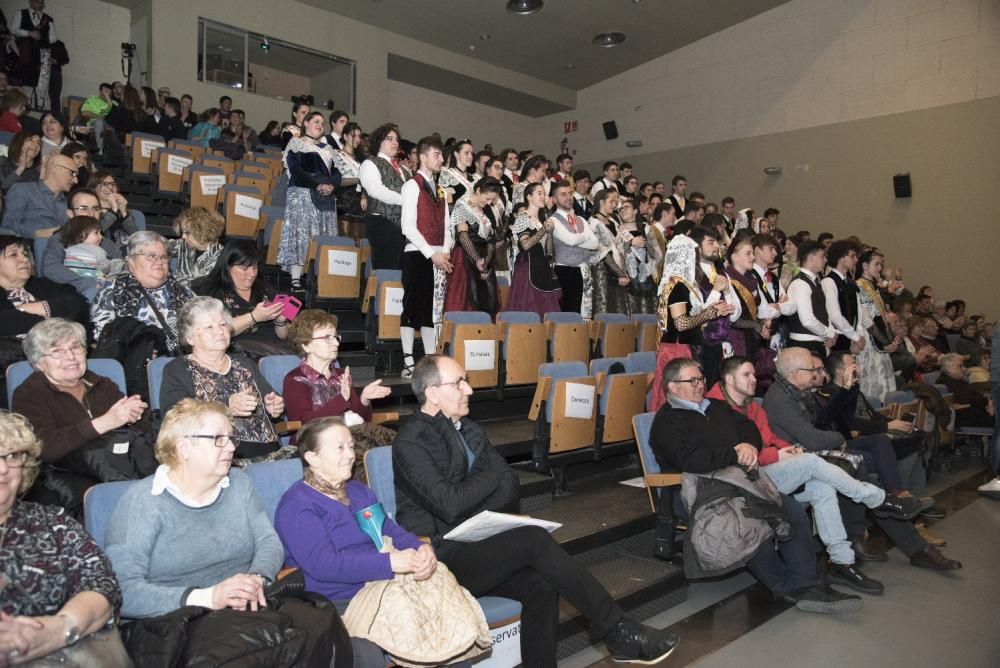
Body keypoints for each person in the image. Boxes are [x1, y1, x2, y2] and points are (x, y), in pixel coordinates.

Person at [393, 355, 680, 666]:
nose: (469, 390)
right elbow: (449, 503)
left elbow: (510, 486)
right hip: (439, 559)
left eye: (467, 380)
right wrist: (488, 479)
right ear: (433, 393)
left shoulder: (471, 431)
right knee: (532, 538)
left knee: (541, 585)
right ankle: (616, 629)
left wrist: (476, 496)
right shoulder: (411, 443)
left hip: (479, 547)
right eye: (459, 382)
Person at [651, 357, 864, 612]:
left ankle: (807, 585)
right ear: (673, 387)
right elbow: (686, 460)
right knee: (751, 521)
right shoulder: (667, 421)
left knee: (792, 510)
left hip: (740, 482)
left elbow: (748, 427)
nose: (700, 385)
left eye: (701, 379)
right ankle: (788, 588)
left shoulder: (714, 407)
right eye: (692, 381)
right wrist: (734, 452)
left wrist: (750, 445)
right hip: (700, 490)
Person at [707, 357, 927, 594]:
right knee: (815, 462)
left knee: (824, 489)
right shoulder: (715, 409)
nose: (754, 380)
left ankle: (842, 562)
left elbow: (771, 438)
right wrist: (778, 454)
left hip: (772, 468)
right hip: (748, 478)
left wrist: (786, 449)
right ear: (729, 379)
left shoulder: (753, 406)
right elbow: (739, 455)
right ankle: (879, 499)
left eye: (753, 375)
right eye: (747, 375)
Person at [765, 348, 962, 570]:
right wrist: (839, 438)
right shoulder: (780, 400)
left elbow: (825, 422)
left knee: (868, 473)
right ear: (793, 373)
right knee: (866, 477)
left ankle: (905, 542)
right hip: (801, 463)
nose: (815, 374)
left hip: (816, 456)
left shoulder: (797, 393)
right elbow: (814, 439)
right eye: (811, 370)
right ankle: (906, 542)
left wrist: (850, 388)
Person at [274, 416, 431, 666]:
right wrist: (389, 562)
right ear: (312, 458)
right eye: (339, 447)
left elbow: (389, 530)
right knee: (370, 652)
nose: (350, 454)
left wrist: (420, 548)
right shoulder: (298, 505)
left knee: (439, 620)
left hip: (383, 587)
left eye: (350, 445)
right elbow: (325, 565)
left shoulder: (357, 491)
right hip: (336, 599)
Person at [0, 410, 127, 667]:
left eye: (12, 456)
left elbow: (101, 584)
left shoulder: (52, 522)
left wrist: (58, 629)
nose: (3, 469)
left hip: (66, 652)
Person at [12, 317, 151, 509]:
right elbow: (42, 449)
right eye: (57, 351)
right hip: (62, 475)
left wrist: (136, 415)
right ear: (39, 362)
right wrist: (105, 422)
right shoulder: (29, 393)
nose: (70, 357)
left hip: (117, 465)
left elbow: (136, 431)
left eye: (76, 347)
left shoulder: (102, 384)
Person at [160, 297, 286, 461]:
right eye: (209, 327)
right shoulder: (177, 370)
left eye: (223, 324)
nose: (219, 331)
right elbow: (174, 418)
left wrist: (274, 405)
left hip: (271, 455)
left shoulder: (244, 363)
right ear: (190, 338)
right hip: (218, 457)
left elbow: (273, 400)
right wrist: (226, 406)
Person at [648, 232, 735, 411]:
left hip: (687, 346)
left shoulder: (685, 285)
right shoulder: (677, 286)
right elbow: (680, 323)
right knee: (678, 400)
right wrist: (708, 314)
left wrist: (712, 311)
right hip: (677, 349)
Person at [283, 310, 391, 432]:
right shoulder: (295, 379)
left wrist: (364, 399)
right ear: (306, 345)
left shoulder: (341, 376)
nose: (336, 343)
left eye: (336, 337)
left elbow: (362, 421)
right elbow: (306, 425)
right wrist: (341, 399)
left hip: (348, 441)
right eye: (327, 338)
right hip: (315, 446)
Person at [91, 231, 194, 354]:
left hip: (180, 362)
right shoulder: (112, 294)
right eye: (151, 256)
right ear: (132, 262)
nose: (159, 261)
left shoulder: (184, 292)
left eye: (164, 256)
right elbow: (103, 341)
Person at [399, 136, 451, 375]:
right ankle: (408, 361)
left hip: (439, 256)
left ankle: (431, 361)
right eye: (436, 155)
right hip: (418, 254)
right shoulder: (411, 185)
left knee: (433, 311)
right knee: (412, 308)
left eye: (441, 155)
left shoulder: (440, 190)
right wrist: (432, 254)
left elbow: (448, 226)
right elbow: (408, 227)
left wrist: (445, 251)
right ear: (423, 157)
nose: (441, 159)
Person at [194, 239, 291, 357]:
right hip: (239, 353)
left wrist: (281, 321)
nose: (252, 274)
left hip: (274, 351)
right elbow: (214, 330)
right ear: (228, 267)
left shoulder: (265, 289)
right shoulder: (212, 292)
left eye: (254, 268)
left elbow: (283, 335)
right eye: (244, 268)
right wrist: (254, 317)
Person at [278, 111, 341, 291]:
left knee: (322, 236)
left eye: (322, 122)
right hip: (303, 195)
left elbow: (337, 173)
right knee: (302, 235)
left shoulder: (328, 149)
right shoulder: (296, 143)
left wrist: (332, 186)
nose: (320, 125)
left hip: (326, 197)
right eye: (316, 121)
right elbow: (296, 170)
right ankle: (296, 279)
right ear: (305, 123)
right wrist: (317, 184)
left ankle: (320, 278)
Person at [0, 235, 88, 339]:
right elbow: (5, 322)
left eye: (24, 254)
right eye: (13, 254)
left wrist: (28, 308)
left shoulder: (42, 284)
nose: (24, 259)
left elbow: (78, 303)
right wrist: (59, 316)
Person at [443, 177, 502, 316]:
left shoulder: (484, 208)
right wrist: (476, 259)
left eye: (491, 200)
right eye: (487, 198)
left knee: (489, 299)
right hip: (465, 256)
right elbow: (463, 236)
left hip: (484, 258)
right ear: (478, 190)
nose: (488, 203)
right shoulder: (462, 205)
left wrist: (486, 260)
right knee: (466, 296)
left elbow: (491, 237)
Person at [508, 182, 561, 318]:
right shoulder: (523, 218)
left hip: (542, 268)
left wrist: (548, 233)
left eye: (544, 193)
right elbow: (525, 245)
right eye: (539, 193)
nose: (543, 196)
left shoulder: (543, 219)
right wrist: (543, 230)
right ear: (529, 196)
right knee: (529, 308)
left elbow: (549, 252)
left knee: (548, 311)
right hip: (528, 268)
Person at [854, 248, 900, 402]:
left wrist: (890, 339)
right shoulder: (860, 286)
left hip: (879, 336)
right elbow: (867, 319)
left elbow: (883, 316)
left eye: (881, 265)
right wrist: (884, 342)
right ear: (865, 266)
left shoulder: (873, 286)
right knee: (873, 385)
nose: (880, 268)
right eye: (877, 264)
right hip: (869, 339)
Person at [360, 123, 408, 270]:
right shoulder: (370, 163)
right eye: (389, 138)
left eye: (397, 139)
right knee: (387, 268)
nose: (395, 142)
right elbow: (375, 190)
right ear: (379, 141)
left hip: (403, 226)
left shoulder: (403, 170)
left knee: (401, 270)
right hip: (382, 223)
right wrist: (405, 200)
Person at [550, 180, 599, 315]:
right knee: (569, 313)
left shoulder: (581, 220)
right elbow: (571, 240)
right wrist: (585, 236)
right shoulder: (552, 220)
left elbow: (595, 243)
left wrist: (577, 237)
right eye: (563, 194)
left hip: (584, 270)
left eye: (570, 193)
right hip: (565, 271)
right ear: (554, 199)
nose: (568, 197)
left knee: (585, 311)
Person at [2, 152, 77, 237]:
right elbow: (7, 226)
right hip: (28, 246)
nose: (76, 181)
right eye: (72, 174)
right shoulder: (23, 190)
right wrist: (36, 233)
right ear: (56, 168)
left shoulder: (67, 203)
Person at [786, 240, 837, 358]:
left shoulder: (814, 282)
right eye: (822, 256)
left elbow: (822, 312)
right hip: (804, 344)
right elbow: (807, 320)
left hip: (816, 341)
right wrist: (829, 332)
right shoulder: (801, 283)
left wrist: (831, 331)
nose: (825, 260)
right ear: (811, 257)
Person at [12, 0, 64, 111]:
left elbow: (53, 38)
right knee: (26, 83)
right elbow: (13, 29)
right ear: (31, 2)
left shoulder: (48, 19)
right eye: (37, 2)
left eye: (41, 2)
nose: (40, 4)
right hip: (26, 54)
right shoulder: (20, 13)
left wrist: (45, 40)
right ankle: (24, 107)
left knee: (42, 84)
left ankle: (40, 107)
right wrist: (29, 33)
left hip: (43, 54)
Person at [588, 188, 630, 316]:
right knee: (605, 305)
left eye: (615, 202)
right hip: (602, 270)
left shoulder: (613, 221)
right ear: (601, 202)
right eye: (611, 201)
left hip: (617, 268)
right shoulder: (594, 223)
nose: (614, 204)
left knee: (619, 307)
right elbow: (603, 252)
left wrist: (623, 271)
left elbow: (621, 247)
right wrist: (619, 273)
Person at [167, 206, 224, 288]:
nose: (183, 236)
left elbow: (201, 283)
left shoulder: (219, 254)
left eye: (187, 233)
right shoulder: (183, 245)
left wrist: (171, 280)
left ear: (200, 232)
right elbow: (159, 247)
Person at [939, 352, 994, 428]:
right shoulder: (944, 382)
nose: (964, 369)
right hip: (964, 417)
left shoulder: (960, 380)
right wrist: (986, 402)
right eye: (960, 366)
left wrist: (989, 402)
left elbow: (976, 394)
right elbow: (965, 399)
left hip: (976, 412)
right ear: (949, 368)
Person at [60, 216, 122, 281]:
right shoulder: (82, 253)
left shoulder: (73, 251)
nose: (101, 237)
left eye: (100, 233)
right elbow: (105, 268)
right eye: (96, 233)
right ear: (82, 234)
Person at [331, 121, 366, 225]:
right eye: (354, 135)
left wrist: (364, 196)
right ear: (345, 136)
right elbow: (336, 181)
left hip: (359, 203)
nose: (357, 139)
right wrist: (358, 180)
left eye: (359, 136)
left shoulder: (361, 159)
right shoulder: (336, 155)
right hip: (343, 202)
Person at [439, 138, 478, 203]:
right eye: (466, 153)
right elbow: (442, 200)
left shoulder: (474, 178)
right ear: (456, 154)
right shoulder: (446, 175)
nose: (470, 156)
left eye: (471, 153)